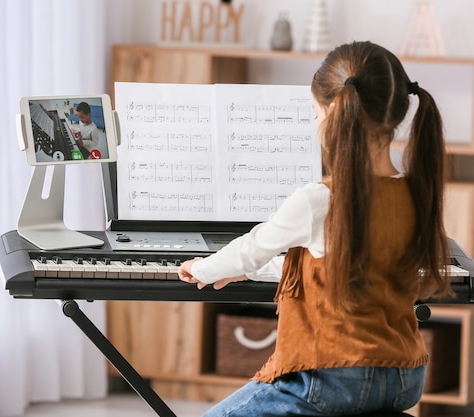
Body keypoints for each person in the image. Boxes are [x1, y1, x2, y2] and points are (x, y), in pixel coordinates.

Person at [177, 40, 454, 417]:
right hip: (405, 377)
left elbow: (254, 245)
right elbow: (327, 265)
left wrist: (204, 268)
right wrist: (248, 272)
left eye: (314, 112)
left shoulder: (319, 199)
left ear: (335, 111)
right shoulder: (416, 193)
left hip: (334, 377)